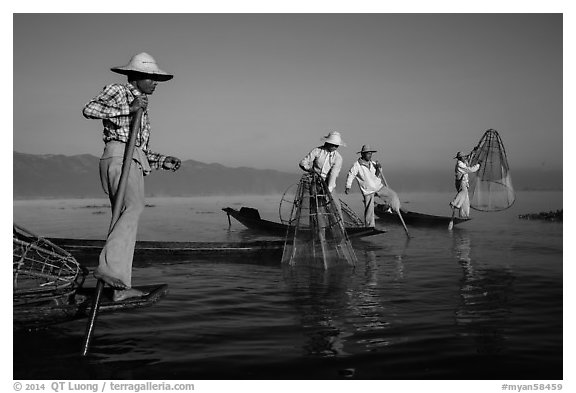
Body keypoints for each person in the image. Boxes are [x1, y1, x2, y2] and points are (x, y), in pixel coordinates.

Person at [82, 52, 182, 301]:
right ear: (136, 77)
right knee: (134, 208)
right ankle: (109, 271)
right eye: (151, 77)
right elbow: (90, 109)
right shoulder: (119, 90)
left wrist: (162, 160)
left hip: (132, 159)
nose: (155, 82)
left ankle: (119, 289)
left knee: (126, 216)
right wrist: (128, 108)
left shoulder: (143, 104)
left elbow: (139, 149)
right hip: (119, 158)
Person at [344, 144, 401, 227]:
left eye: (371, 154)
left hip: (378, 187)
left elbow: (377, 175)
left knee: (393, 196)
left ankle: (395, 210)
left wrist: (378, 168)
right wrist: (348, 186)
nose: (370, 155)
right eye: (368, 153)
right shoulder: (356, 165)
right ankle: (369, 226)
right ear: (362, 154)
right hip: (368, 190)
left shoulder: (373, 163)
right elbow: (351, 175)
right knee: (369, 209)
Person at [450, 150, 481, 218]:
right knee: (463, 192)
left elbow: (469, 158)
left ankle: (464, 215)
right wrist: (478, 165)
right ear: (460, 158)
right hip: (461, 182)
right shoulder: (460, 164)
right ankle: (454, 203)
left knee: (465, 200)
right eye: (464, 157)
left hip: (464, 182)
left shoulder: (464, 162)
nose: (465, 158)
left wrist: (474, 152)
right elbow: (469, 170)